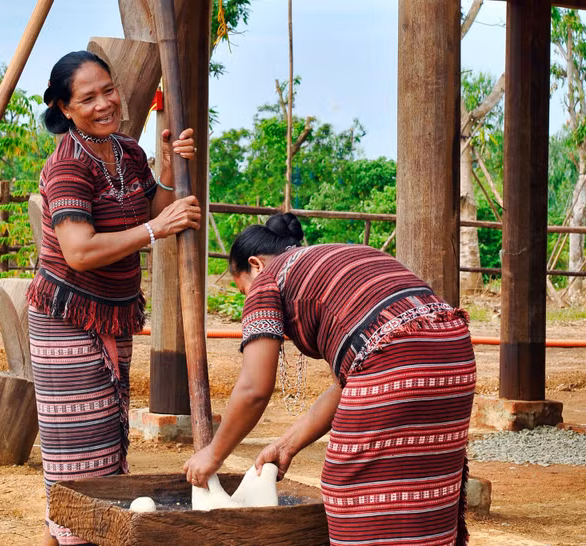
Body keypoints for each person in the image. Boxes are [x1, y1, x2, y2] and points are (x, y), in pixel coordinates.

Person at [183, 213, 475, 546]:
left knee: (352, 489)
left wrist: (213, 455)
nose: (248, 296)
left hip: (395, 362)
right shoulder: (331, 258)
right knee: (425, 485)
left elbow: (254, 389)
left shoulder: (266, 280)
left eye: (242, 289)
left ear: (255, 265)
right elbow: (349, 382)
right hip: (454, 354)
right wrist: (287, 444)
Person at [27, 50, 200, 546]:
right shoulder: (67, 165)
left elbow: (153, 209)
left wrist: (168, 170)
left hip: (113, 316)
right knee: (76, 460)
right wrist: (156, 229)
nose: (104, 104)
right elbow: (79, 251)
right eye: (87, 98)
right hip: (68, 321)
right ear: (64, 108)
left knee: (105, 448)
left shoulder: (127, 152)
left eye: (109, 90)